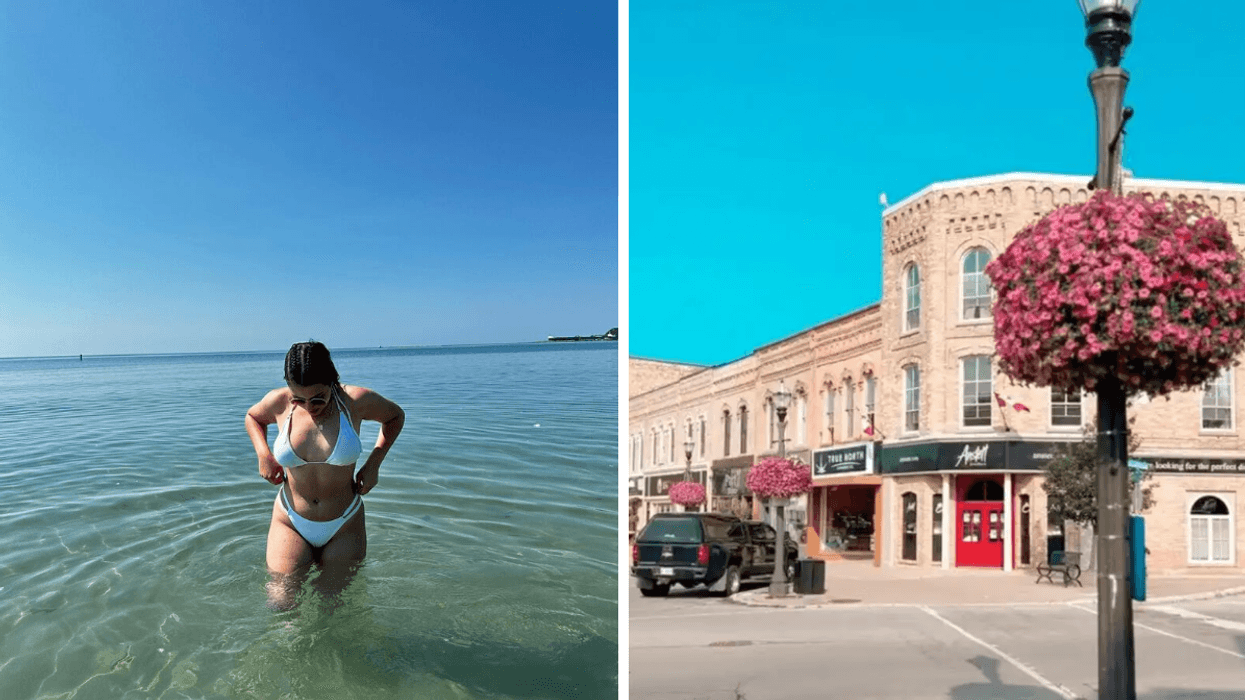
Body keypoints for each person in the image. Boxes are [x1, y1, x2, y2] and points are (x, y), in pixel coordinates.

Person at [245, 341, 405, 609]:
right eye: (299, 399)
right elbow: (253, 417)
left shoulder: (355, 401)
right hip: (290, 520)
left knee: (333, 610)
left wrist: (374, 463)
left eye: (318, 398)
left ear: (333, 381)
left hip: (345, 523)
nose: (309, 406)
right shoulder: (279, 401)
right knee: (281, 605)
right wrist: (264, 455)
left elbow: (395, 416)